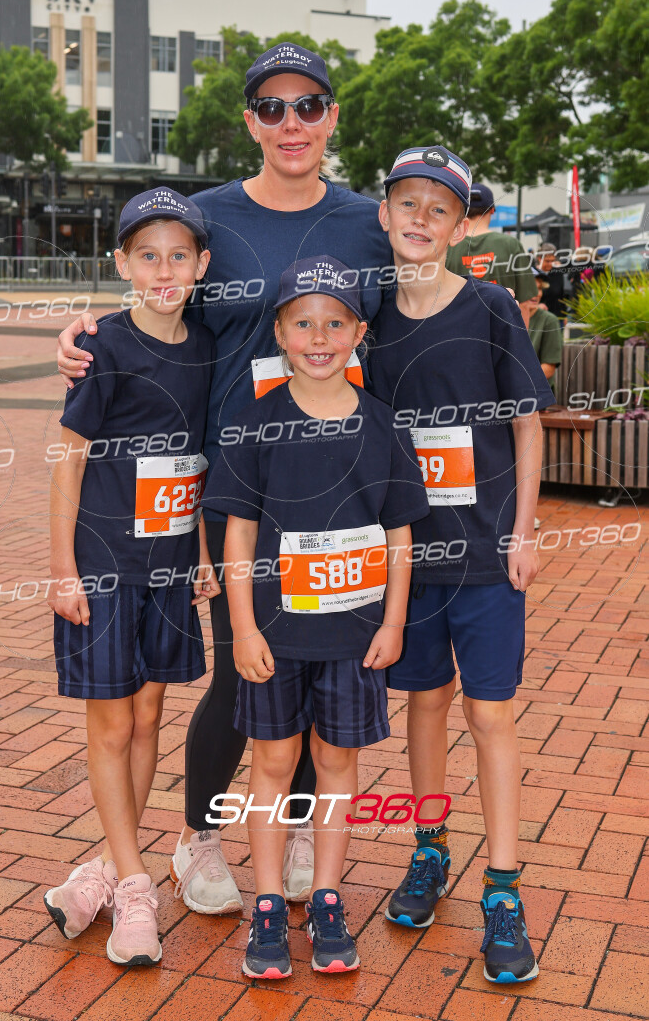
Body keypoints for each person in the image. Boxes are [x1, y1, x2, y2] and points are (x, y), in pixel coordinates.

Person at [54, 43, 392, 915]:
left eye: (307, 105)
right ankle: (197, 835)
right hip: (231, 484)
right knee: (245, 669)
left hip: (335, 482)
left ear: (330, 116)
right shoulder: (206, 216)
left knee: (321, 659)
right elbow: (153, 300)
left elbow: (404, 324)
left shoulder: (369, 223)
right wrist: (83, 333)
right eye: (271, 107)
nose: (291, 123)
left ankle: (303, 836)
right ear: (250, 121)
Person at [203, 255, 428, 978]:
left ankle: (327, 897)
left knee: (336, 763)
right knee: (272, 764)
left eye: (335, 323)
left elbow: (400, 534)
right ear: (279, 332)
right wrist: (243, 626)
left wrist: (393, 621)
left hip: (355, 637)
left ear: (359, 332)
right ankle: (269, 903)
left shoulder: (383, 425)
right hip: (274, 636)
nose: (320, 337)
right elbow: (238, 534)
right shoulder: (254, 423)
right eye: (303, 323)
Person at [368, 146, 555, 984]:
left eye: (437, 208)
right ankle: (429, 848)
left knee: (489, 713)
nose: (419, 218)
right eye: (406, 203)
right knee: (424, 701)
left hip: (484, 550)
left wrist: (523, 530)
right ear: (384, 214)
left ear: (458, 225)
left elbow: (525, 422)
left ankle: (503, 889)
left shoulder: (488, 306)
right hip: (408, 555)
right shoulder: (368, 312)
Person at [44, 188, 220, 966]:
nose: (164, 269)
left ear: (201, 264)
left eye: (179, 255)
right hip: (105, 566)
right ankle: (137, 888)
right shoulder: (103, 347)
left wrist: (204, 553)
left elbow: (199, 459)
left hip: (170, 565)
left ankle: (107, 871)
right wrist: (62, 571)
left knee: (149, 718)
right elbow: (68, 460)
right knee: (112, 726)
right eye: (147, 255)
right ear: (122, 264)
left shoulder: (206, 347)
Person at [445, 182, 538, 319]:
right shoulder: (511, 245)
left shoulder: (447, 245)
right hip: (501, 328)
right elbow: (524, 303)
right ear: (492, 210)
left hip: (457, 327)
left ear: (462, 209)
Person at [523, 270, 563, 391]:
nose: (537, 293)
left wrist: (515, 385)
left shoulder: (549, 321)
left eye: (539, 288)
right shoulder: (504, 318)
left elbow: (548, 368)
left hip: (536, 394)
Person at [534, 242, 567, 320]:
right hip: (537, 317)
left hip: (556, 317)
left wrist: (564, 315)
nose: (550, 264)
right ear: (539, 259)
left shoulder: (557, 273)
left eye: (553, 261)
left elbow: (561, 296)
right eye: (547, 261)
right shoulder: (533, 274)